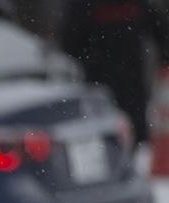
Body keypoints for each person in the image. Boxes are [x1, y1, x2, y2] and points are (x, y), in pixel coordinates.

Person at [62, 0, 169, 142]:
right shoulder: (85, 5)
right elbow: (69, 44)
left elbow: (161, 31)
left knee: (136, 137)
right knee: (104, 139)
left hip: (131, 84)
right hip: (99, 86)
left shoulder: (136, 5)